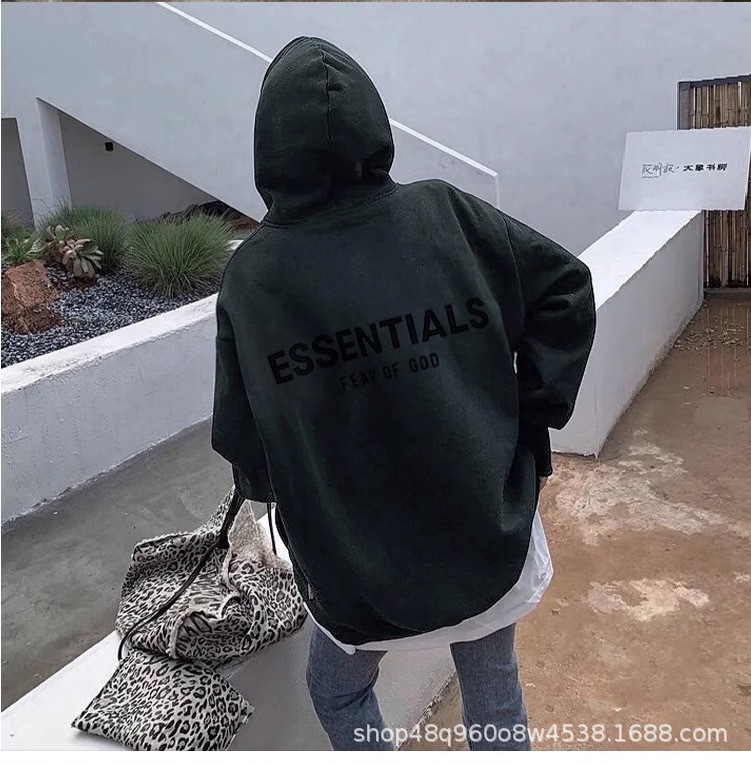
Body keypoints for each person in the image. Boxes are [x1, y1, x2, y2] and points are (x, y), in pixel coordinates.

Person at [212, 37, 596, 751]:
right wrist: (529, 416)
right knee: (492, 685)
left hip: (356, 567)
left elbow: (243, 435)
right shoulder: (447, 215)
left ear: (271, 145)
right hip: (484, 531)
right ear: (373, 123)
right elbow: (564, 288)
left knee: (336, 691)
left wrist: (280, 492)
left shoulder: (256, 274)